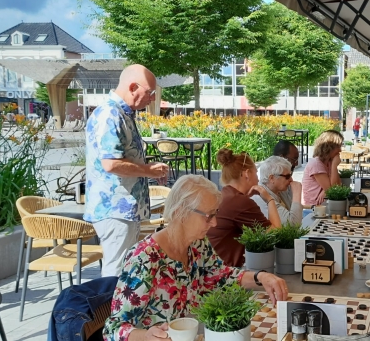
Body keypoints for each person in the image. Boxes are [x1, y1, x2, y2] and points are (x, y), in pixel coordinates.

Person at [103, 175, 288, 341]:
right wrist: (145, 336)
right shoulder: (144, 259)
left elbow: (220, 276)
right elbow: (113, 329)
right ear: (180, 213)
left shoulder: (197, 244)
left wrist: (261, 277)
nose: (214, 223)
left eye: (215, 214)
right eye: (209, 216)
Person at [84, 64, 170, 277]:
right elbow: (111, 164)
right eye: (149, 93)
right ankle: (110, 311)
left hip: (123, 209)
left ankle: (118, 309)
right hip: (115, 209)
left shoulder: (123, 113)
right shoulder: (111, 114)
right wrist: (147, 171)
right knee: (116, 272)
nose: (151, 98)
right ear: (133, 87)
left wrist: (147, 170)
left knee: (124, 269)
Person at [207, 149, 282, 267]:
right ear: (247, 173)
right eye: (256, 173)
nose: (258, 179)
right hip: (223, 271)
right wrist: (270, 199)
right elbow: (275, 232)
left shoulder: (226, 195)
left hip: (213, 264)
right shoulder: (239, 202)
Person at [253, 156, 303, 225]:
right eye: (287, 176)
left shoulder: (280, 189)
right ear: (271, 178)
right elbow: (293, 225)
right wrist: (297, 194)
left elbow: (296, 214)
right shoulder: (262, 196)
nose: (291, 180)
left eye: (290, 175)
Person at [301, 130, 343, 206]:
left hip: (324, 205)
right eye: (338, 146)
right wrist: (334, 166)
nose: (340, 150)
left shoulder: (329, 162)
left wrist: (325, 190)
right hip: (312, 208)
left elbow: (337, 186)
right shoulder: (316, 163)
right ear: (329, 148)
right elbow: (332, 191)